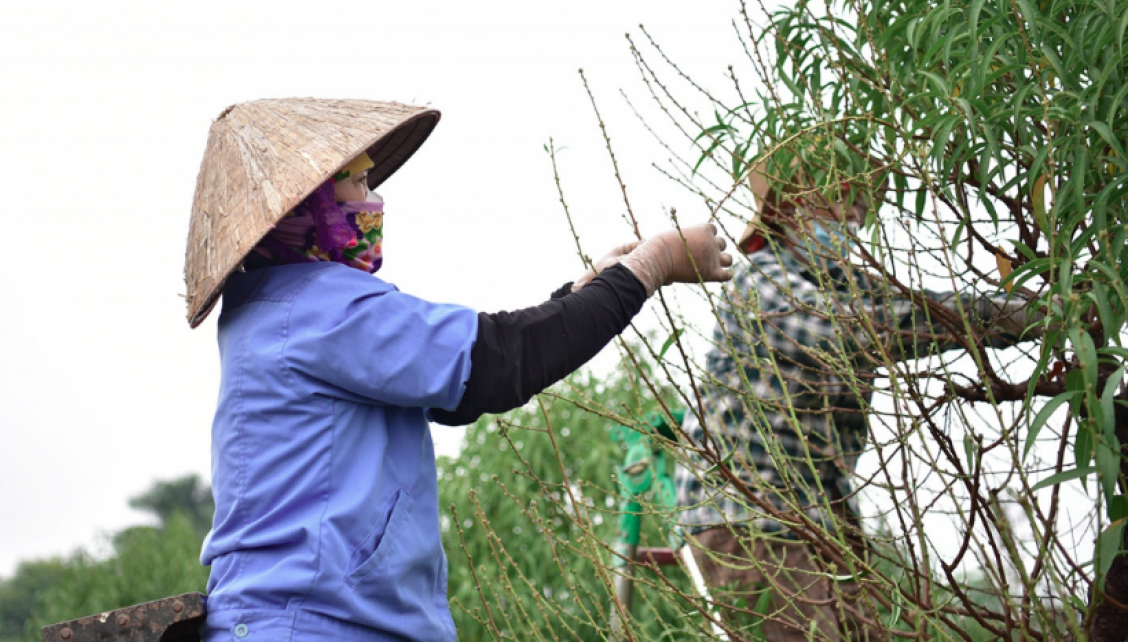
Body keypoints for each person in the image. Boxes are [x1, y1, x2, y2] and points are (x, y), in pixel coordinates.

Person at [182, 98, 734, 642]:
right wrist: (653, 262)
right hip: (314, 624)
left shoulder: (274, 311)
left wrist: (584, 293)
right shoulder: (319, 310)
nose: (372, 200)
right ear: (309, 204)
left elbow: (463, 384)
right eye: (357, 184)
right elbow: (497, 364)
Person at [672, 158, 1043, 641]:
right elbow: (847, 331)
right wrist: (1009, 318)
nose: (855, 211)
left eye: (859, 202)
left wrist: (1022, 313)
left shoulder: (848, 283)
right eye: (837, 198)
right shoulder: (762, 279)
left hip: (817, 513)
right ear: (790, 208)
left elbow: (928, 307)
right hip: (748, 516)